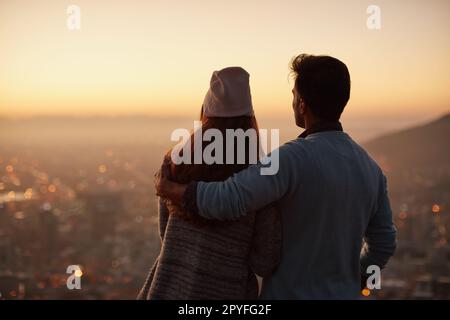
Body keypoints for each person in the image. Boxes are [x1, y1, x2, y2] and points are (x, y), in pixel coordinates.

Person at [155, 54, 397, 299]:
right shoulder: (372, 170)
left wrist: (172, 190)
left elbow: (230, 198)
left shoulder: (290, 160)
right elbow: (384, 243)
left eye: (293, 95)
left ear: (302, 103)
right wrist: (353, 279)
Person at [138, 67, 281, 300]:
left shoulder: (175, 162)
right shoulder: (259, 178)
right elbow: (265, 260)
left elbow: (166, 233)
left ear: (206, 111)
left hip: (168, 287)